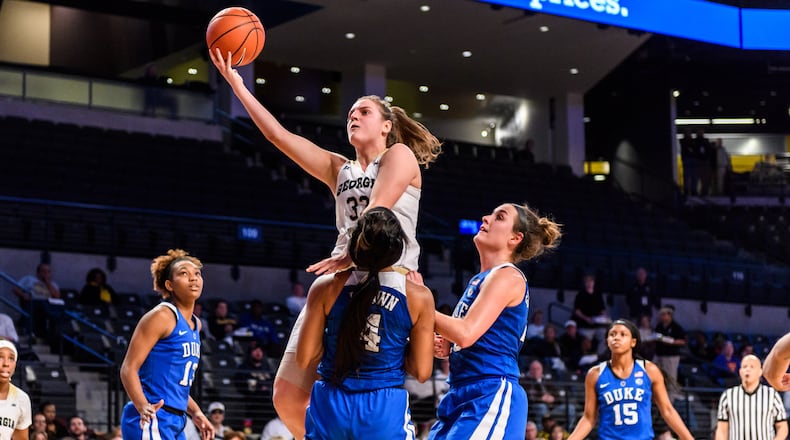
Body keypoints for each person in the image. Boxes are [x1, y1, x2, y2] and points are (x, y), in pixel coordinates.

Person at [210, 46, 441, 439]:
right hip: (342, 279)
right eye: (350, 111)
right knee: (285, 394)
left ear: (386, 125)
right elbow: (277, 136)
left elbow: (378, 212)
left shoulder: (400, 155)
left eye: (364, 111)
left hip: (388, 276)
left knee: (374, 385)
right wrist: (236, 84)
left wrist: (349, 255)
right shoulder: (339, 168)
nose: (354, 115)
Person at [295, 207, 435, 438]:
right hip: (382, 405)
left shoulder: (325, 287)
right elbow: (421, 371)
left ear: (356, 245)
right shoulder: (418, 296)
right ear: (398, 247)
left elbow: (305, 358)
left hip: (332, 401)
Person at [430, 203, 561, 439]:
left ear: (515, 238)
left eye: (499, 217)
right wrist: (449, 346)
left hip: (490, 391)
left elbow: (466, 332)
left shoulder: (508, 275)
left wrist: (419, 305)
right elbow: (470, 336)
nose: (486, 218)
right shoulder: (480, 280)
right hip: (462, 392)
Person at [119, 249, 214, 440]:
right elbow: (128, 368)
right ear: (169, 284)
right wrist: (142, 405)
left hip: (177, 419)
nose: (193, 278)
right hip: (153, 414)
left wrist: (196, 412)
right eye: (184, 273)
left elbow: (172, 384)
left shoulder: (196, 324)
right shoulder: (162, 316)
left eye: (197, 273)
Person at [567, 319, 693, 440]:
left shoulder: (649, 370)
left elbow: (667, 411)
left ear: (633, 342)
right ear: (607, 341)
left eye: (623, 334)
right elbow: (589, 418)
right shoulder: (595, 374)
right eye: (612, 334)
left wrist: (689, 438)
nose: (616, 338)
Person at [715, 354, 787, 440]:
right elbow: (722, 429)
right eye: (745, 367)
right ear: (740, 371)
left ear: (760, 372)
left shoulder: (771, 395)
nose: (748, 369)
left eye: (752, 367)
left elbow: (782, 426)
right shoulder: (728, 396)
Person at [523, 360, 575, 430]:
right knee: (542, 407)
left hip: (553, 409)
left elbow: (558, 394)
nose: (536, 371)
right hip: (537, 408)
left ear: (542, 370)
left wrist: (553, 398)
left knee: (570, 408)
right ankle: (541, 433)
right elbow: (527, 397)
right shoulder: (526, 382)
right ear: (530, 371)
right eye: (534, 369)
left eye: (538, 369)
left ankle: (565, 431)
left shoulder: (548, 381)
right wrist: (541, 399)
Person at [13, 263, 61, 339]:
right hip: (32, 301)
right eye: (44, 271)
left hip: (47, 304)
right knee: (35, 306)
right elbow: (15, 289)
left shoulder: (53, 284)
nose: (46, 274)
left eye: (48, 272)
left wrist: (47, 282)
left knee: (59, 310)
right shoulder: (29, 279)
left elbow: (57, 296)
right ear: (38, 272)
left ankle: (54, 334)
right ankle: (29, 332)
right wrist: (23, 295)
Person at [0, 340, 31, 439]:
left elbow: (21, 438)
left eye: (11, 358)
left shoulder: (22, 398)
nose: (6, 364)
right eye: (0, 357)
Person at [572, 273, 608, 354]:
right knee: (585, 342)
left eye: (591, 281)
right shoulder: (580, 295)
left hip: (597, 325)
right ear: (585, 283)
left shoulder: (598, 294)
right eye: (587, 282)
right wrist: (586, 318)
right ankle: (587, 358)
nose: (589, 283)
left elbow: (602, 309)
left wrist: (604, 316)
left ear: (594, 283)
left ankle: (599, 356)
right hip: (585, 325)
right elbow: (577, 311)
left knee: (606, 337)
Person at [653, 305, 686, 387]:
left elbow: (683, 341)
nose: (662, 316)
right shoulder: (659, 326)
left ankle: (671, 398)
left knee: (670, 377)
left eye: (664, 314)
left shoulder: (676, 327)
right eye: (661, 314)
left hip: (671, 356)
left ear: (669, 315)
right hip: (658, 354)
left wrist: (672, 342)